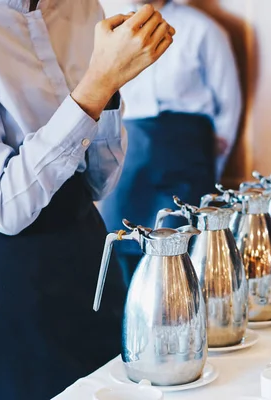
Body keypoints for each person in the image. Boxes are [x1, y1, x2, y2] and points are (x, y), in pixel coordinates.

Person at [0, 1, 174, 399]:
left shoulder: (83, 7)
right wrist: (96, 85)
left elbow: (97, 184)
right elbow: (5, 207)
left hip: (88, 255)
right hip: (4, 276)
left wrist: (108, 90)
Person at [100, 0, 242, 285]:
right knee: (122, 247)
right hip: (128, 156)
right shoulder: (109, 32)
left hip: (185, 158)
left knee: (181, 255)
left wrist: (207, 166)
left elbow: (229, 105)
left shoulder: (203, 29)